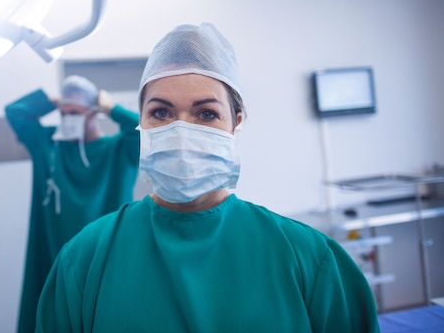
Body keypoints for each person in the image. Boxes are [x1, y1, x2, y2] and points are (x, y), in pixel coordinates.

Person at [35, 23, 380, 332]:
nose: (182, 131)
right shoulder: (84, 259)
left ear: (236, 123)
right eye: (161, 112)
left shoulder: (309, 259)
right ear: (140, 123)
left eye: (205, 113)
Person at [5, 75, 140, 333]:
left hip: (104, 258)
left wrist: (111, 108)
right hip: (52, 254)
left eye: (75, 112)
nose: (67, 119)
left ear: (93, 113)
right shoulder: (48, 146)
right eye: (63, 113)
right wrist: (51, 102)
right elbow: (15, 113)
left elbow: (142, 131)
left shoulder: (118, 150)